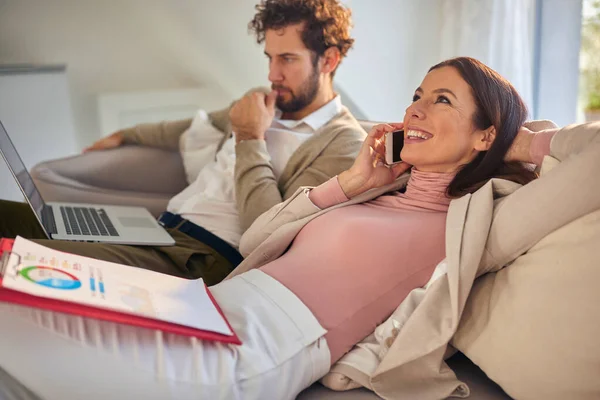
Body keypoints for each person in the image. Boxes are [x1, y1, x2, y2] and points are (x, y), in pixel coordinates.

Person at [1, 57, 599, 400]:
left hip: (248, 356)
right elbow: (262, 234)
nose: (415, 108)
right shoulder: (379, 187)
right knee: (15, 281)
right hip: (198, 305)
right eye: (417, 94)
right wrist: (354, 183)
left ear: (484, 132)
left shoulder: (480, 218)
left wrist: (523, 141)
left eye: (441, 100)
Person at [0, 0, 366, 285]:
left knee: (15, 259)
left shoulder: (343, 144)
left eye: (288, 59)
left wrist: (249, 137)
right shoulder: (265, 99)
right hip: (158, 230)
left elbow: (269, 235)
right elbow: (189, 127)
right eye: (270, 58)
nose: (272, 74)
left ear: (329, 60)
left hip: (202, 258)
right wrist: (126, 135)